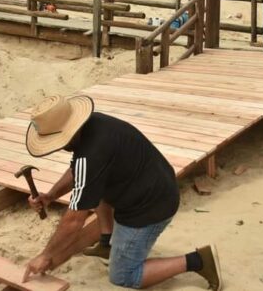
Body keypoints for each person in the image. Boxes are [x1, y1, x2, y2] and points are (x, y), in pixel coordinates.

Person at [21, 95, 222, 290]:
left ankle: (198, 261)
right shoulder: (93, 125)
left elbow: (74, 220)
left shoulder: (92, 155)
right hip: (153, 183)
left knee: (123, 275)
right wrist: (51, 195)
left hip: (151, 206)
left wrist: (46, 255)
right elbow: (79, 173)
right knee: (93, 189)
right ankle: (107, 242)